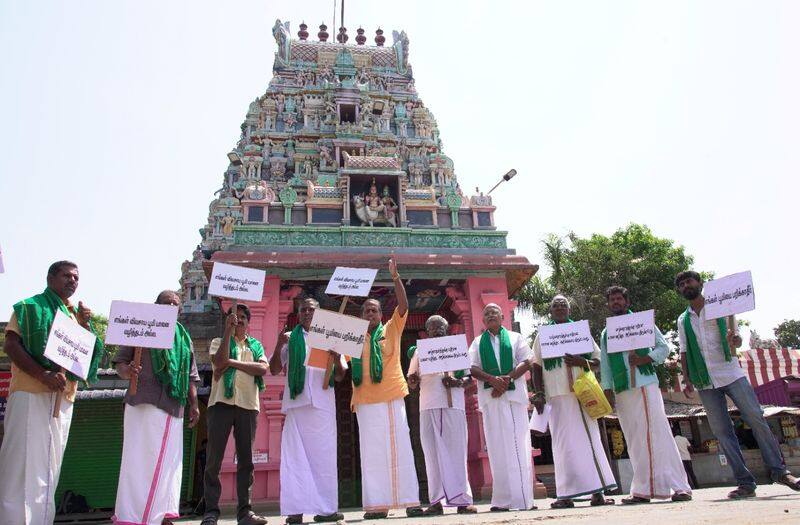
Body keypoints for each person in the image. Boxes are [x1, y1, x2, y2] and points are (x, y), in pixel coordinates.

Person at [676, 270, 800, 498]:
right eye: (682, 284)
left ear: (700, 283)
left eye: (689, 281)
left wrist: (736, 340)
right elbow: (684, 352)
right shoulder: (682, 320)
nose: (686, 285)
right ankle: (745, 483)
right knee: (723, 432)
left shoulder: (721, 308)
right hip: (705, 381)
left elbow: (737, 339)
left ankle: (780, 471)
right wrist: (686, 379)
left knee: (756, 418)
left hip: (731, 372)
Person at [0, 260, 105, 524]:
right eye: (66, 276)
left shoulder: (72, 315)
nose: (72, 281)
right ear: (50, 278)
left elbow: (82, 357)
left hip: (63, 399)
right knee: (22, 465)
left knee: (48, 467)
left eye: (76, 278)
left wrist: (83, 326)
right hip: (31, 393)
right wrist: (42, 374)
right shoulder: (30, 307)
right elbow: (11, 345)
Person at [112, 290, 201, 525]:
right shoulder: (142, 327)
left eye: (175, 304)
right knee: (139, 459)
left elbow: (192, 377)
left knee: (170, 464)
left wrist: (194, 404)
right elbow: (120, 363)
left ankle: (162, 514)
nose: (171, 306)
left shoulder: (185, 338)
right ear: (155, 306)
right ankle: (132, 515)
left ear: (180, 310)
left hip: (174, 405)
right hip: (143, 401)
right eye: (166, 303)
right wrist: (128, 371)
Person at [599, 286, 691, 504]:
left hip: (644, 384)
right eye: (612, 300)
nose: (616, 302)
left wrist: (644, 359)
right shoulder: (606, 333)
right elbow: (605, 365)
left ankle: (679, 487)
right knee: (634, 439)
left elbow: (664, 348)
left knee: (658, 434)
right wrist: (607, 390)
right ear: (608, 304)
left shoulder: (642, 322)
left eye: (619, 299)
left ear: (627, 302)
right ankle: (642, 489)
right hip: (622, 389)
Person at [351, 258, 424, 520]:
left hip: (392, 396)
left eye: (374, 311)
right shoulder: (351, 335)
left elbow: (404, 305)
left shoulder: (391, 329)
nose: (369, 315)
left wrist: (395, 277)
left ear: (381, 315)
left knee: (401, 447)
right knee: (371, 454)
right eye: (365, 311)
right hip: (365, 400)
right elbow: (336, 363)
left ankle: (410, 500)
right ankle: (377, 505)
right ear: (360, 317)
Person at [530, 295, 616, 508]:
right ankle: (565, 494)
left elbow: (598, 360)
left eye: (563, 305)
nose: (559, 307)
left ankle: (598, 493)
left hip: (582, 393)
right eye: (555, 305)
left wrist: (582, 361)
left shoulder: (581, 331)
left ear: (569, 310)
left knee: (591, 441)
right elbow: (536, 366)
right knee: (562, 445)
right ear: (550, 311)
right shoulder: (544, 335)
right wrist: (538, 393)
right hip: (556, 395)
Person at [269, 298, 347, 524]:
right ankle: (295, 511)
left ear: (319, 313)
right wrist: (277, 344)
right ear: (298, 314)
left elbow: (340, 375)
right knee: (295, 458)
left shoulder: (331, 337)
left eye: (311, 310)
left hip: (323, 405)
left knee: (324, 459)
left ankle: (326, 510)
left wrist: (335, 357)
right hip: (296, 405)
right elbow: (274, 369)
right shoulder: (290, 339)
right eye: (303, 310)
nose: (306, 313)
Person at [201, 304, 269, 525]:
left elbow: (261, 369)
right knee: (214, 459)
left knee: (246, 460)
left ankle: (245, 512)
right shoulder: (219, 342)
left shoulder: (256, 346)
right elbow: (219, 362)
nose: (238, 321)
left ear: (248, 323)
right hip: (221, 403)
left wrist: (231, 363)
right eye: (234, 318)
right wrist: (227, 334)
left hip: (248, 405)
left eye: (242, 318)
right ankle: (211, 512)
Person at [407, 315, 477, 516]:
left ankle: (463, 500)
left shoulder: (457, 348)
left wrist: (457, 383)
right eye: (433, 327)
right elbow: (412, 379)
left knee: (457, 451)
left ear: (447, 330)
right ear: (426, 331)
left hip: (453, 406)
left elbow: (468, 378)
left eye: (441, 327)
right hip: (428, 406)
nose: (437, 330)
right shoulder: (420, 352)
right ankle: (436, 501)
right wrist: (412, 380)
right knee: (432, 454)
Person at [468, 303, 536, 512]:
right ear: (483, 320)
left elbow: (528, 361)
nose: (490, 315)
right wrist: (492, 380)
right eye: (486, 313)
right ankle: (502, 500)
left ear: (502, 316)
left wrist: (506, 380)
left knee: (518, 446)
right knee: (497, 449)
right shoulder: (478, 342)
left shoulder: (515, 337)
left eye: (494, 312)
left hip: (513, 398)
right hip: (491, 400)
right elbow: (472, 367)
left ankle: (523, 499)